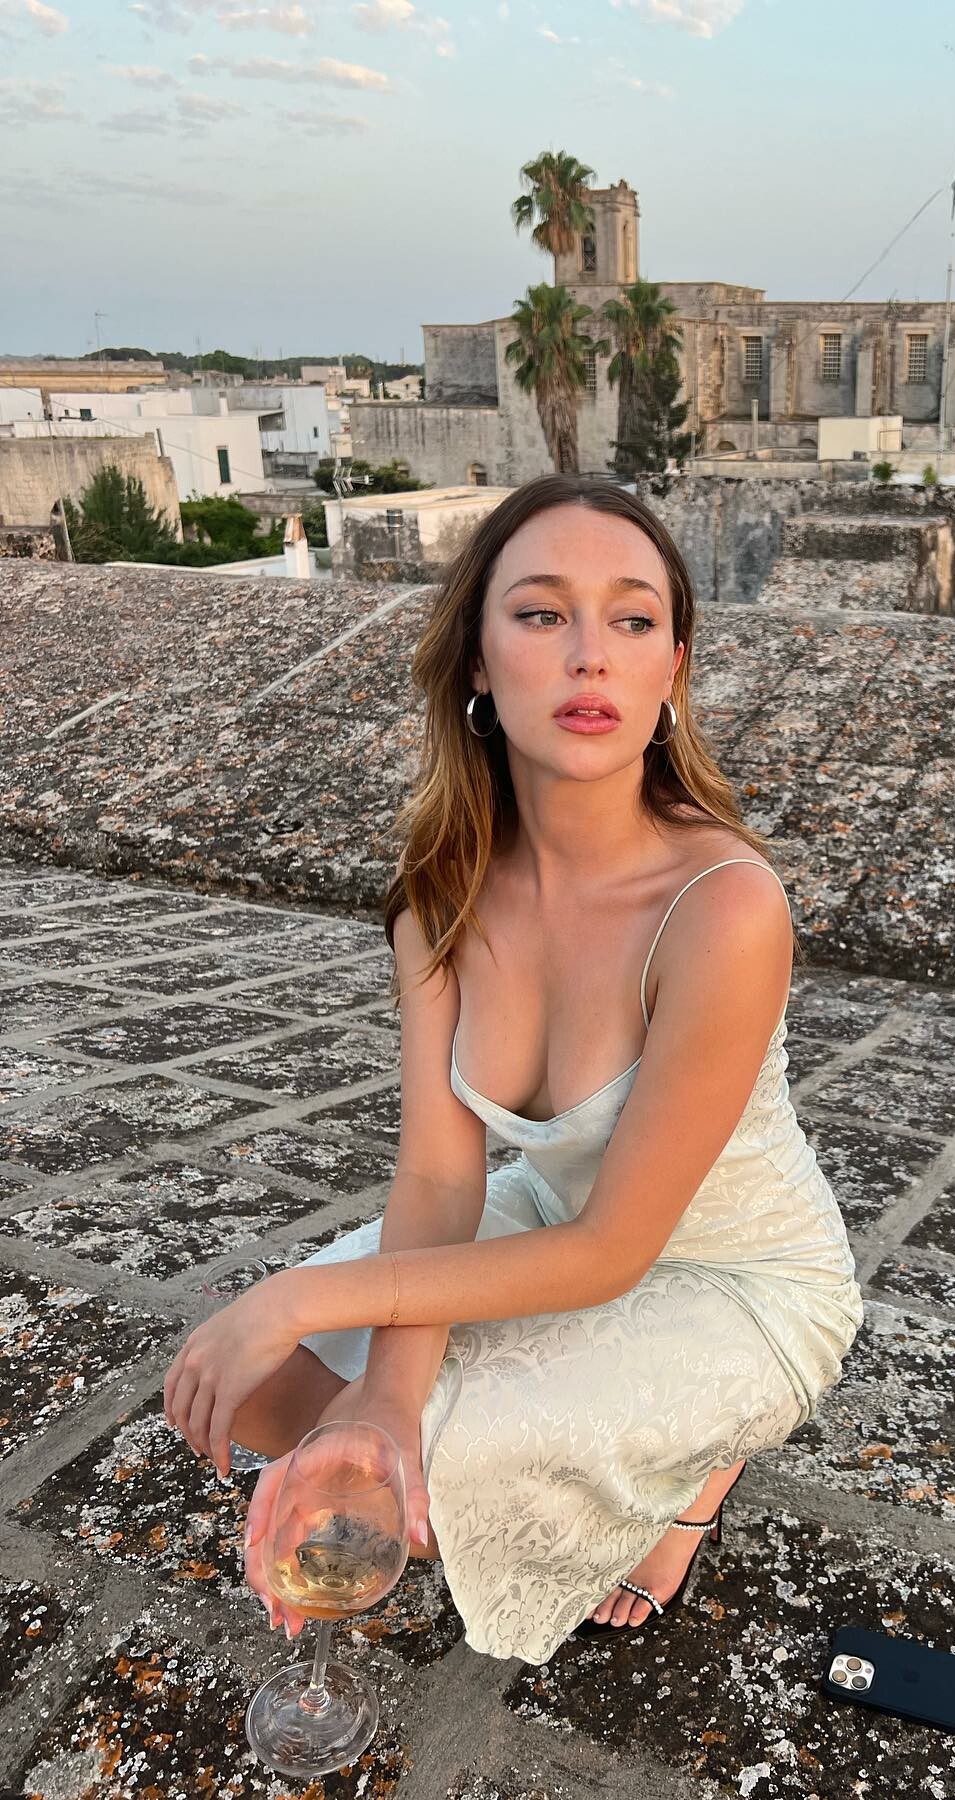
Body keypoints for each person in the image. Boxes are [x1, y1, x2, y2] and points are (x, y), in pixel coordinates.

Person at [162, 472, 866, 1666]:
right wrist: (382, 1401)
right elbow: (441, 1180)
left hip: (734, 1276)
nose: (590, 654)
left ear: (671, 669)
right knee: (261, 1396)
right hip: (546, 1217)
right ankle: (496, 1438)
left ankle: (697, 1475)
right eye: (542, 614)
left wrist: (301, 1298)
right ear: (479, 662)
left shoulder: (724, 907)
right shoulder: (441, 896)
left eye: (632, 620)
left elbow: (613, 1254)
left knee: (421, 1474)